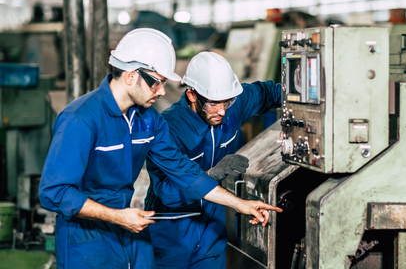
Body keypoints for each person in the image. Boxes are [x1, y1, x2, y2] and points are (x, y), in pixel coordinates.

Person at [38, 29, 282, 269]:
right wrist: (116, 216)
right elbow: (54, 192)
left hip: (130, 229)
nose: (163, 91)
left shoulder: (148, 120)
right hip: (87, 237)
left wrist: (241, 204)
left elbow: (183, 171)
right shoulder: (81, 119)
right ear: (131, 75)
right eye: (157, 82)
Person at [144, 51, 282, 268]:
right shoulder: (168, 128)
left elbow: (269, 93)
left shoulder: (229, 105)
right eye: (213, 104)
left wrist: (309, 93)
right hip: (172, 230)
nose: (222, 111)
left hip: (212, 227)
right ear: (192, 95)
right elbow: (167, 191)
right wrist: (212, 175)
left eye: (227, 102)